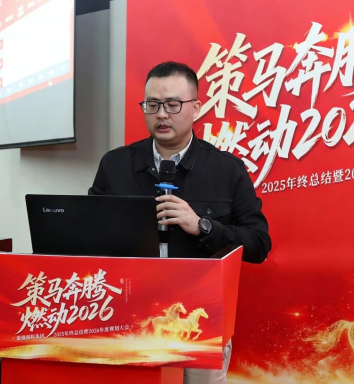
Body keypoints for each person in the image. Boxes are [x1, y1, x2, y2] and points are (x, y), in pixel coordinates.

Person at [89, 61, 271, 383]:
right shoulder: (115, 165)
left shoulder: (227, 170)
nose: (162, 114)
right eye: (153, 105)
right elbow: (86, 235)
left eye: (173, 105)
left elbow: (259, 244)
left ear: (196, 108)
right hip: (127, 318)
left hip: (200, 322)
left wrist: (203, 226)